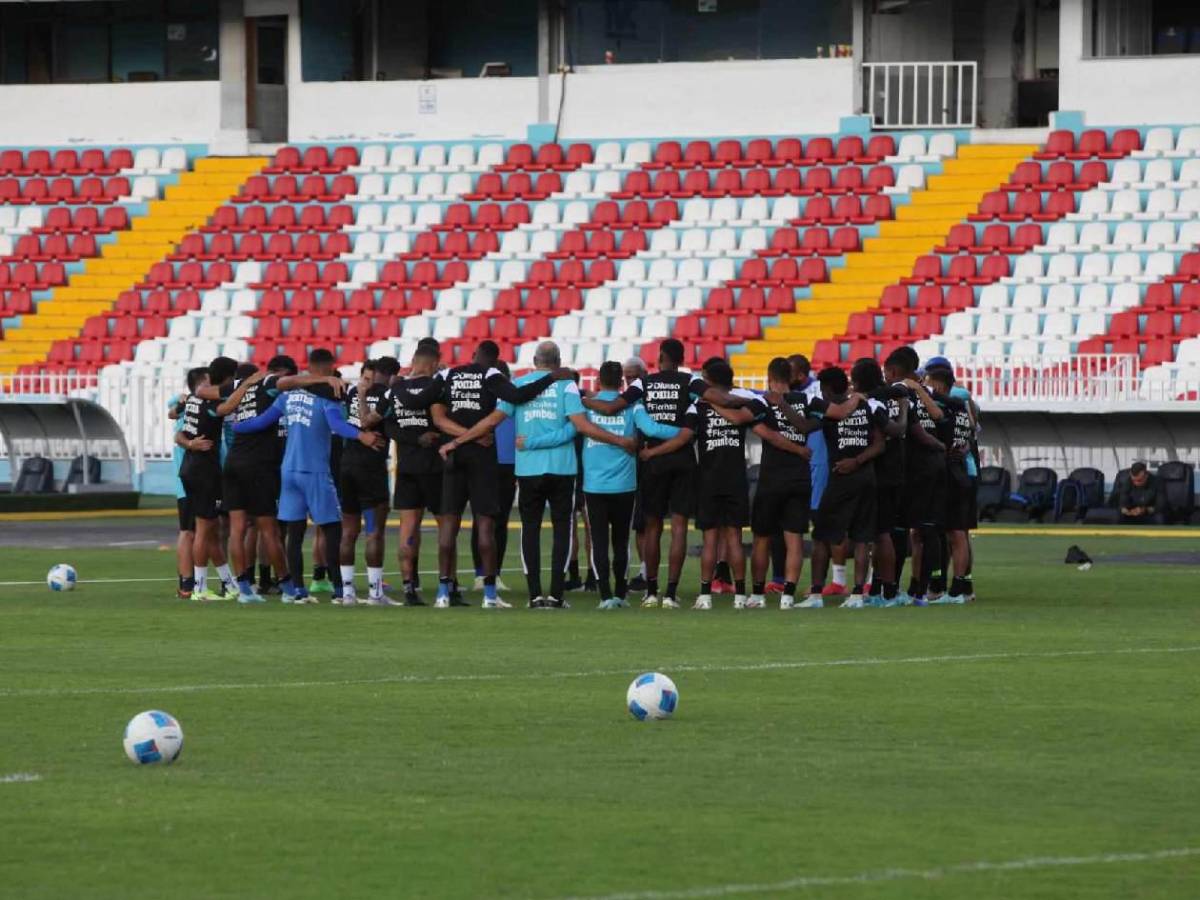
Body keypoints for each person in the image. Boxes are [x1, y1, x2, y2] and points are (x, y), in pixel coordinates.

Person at [440, 341, 633, 608]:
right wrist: (619, 440)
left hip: (528, 469)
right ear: (559, 360)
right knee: (562, 530)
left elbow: (492, 420)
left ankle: (534, 596)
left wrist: (457, 441)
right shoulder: (566, 386)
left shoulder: (518, 385)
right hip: (562, 468)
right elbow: (579, 426)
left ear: (534, 360)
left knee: (529, 529)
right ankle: (555, 595)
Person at [397, 339, 567, 607]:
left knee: (449, 525)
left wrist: (397, 384)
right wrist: (552, 378)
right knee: (485, 524)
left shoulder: (447, 374)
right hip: (483, 458)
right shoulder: (490, 375)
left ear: (474, 355)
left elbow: (415, 401)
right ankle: (489, 595)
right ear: (494, 360)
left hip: (452, 457)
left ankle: (443, 593)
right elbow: (520, 396)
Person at [583, 338, 747, 610]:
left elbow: (612, 407)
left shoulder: (644, 383)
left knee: (652, 527)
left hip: (652, 460)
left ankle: (650, 592)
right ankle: (671, 593)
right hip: (683, 459)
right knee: (679, 528)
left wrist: (584, 399)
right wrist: (754, 398)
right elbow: (724, 398)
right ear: (681, 359)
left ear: (660, 357)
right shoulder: (690, 382)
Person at [231, 348, 384, 606]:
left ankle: (298, 590)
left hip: (288, 470)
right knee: (332, 529)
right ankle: (339, 590)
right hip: (315, 471)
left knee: (294, 531)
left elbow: (260, 423)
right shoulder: (327, 395)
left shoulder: (288, 396)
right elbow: (336, 426)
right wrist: (362, 436)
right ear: (328, 368)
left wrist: (235, 425)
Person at [646, 358, 764, 610]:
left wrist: (652, 453)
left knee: (710, 538)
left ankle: (705, 596)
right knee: (734, 536)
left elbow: (684, 438)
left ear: (708, 380)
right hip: (736, 476)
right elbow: (749, 413)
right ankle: (740, 597)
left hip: (708, 477)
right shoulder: (746, 400)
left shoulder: (697, 406)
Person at [209, 354, 323, 603]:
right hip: (258, 466)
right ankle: (288, 589)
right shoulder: (266, 383)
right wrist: (322, 378)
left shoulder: (237, 388)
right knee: (269, 530)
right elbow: (288, 383)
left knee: (237, 529)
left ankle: (245, 590)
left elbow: (203, 391)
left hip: (233, 462)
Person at [578, 360, 681, 608]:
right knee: (621, 541)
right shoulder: (633, 406)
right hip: (624, 485)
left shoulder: (586, 407)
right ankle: (621, 595)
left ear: (599, 381)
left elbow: (569, 431)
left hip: (594, 485)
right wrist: (684, 431)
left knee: (599, 541)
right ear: (622, 381)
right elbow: (653, 429)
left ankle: (604, 596)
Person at [803, 366, 887, 609]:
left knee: (821, 537)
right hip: (867, 478)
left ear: (827, 388)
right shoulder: (868, 407)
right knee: (862, 539)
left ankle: (816, 595)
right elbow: (881, 444)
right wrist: (860, 460)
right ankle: (858, 596)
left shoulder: (826, 409)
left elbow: (805, 427)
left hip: (840, 478)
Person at [748, 358, 822, 609]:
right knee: (794, 539)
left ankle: (757, 595)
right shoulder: (808, 401)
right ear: (791, 377)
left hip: (771, 478)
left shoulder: (761, 402)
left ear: (769, 377)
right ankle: (788, 597)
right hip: (800, 478)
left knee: (762, 538)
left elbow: (763, 431)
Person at [885, 347, 950, 605]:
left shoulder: (897, 393)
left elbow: (924, 423)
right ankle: (923, 589)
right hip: (933, 466)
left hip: (911, 468)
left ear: (894, 370)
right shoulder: (930, 393)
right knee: (926, 531)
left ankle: (894, 589)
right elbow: (939, 416)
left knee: (901, 530)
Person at [176, 355, 239, 601]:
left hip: (189, 467)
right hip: (204, 470)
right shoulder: (211, 403)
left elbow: (177, 426)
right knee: (203, 530)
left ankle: (228, 582)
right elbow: (228, 406)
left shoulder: (191, 399)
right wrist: (244, 388)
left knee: (208, 528)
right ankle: (200, 588)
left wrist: (190, 443)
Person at [848, 357, 909, 607]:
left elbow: (893, 431)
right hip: (898, 471)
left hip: (880, 473)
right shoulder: (895, 396)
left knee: (881, 535)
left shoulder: (872, 403)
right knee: (885, 534)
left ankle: (889, 590)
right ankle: (881, 588)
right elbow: (902, 391)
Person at [389, 342, 445, 606]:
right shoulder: (437, 388)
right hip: (434, 467)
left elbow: (388, 427)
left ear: (413, 360)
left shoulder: (395, 390)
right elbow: (443, 420)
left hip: (406, 467)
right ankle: (448, 586)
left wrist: (411, 439)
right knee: (446, 527)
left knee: (407, 529)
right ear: (434, 363)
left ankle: (409, 586)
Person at [337, 359, 396, 606]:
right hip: (370, 469)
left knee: (349, 532)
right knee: (374, 533)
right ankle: (374, 593)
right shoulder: (389, 396)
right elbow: (367, 422)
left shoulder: (350, 392)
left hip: (346, 465)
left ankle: (348, 592)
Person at [924, 366, 976, 603]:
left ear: (938, 384)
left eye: (928, 382)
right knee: (957, 533)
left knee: (952, 533)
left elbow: (936, 416)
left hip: (948, 475)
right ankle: (959, 586)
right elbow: (968, 436)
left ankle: (952, 589)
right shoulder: (962, 408)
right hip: (960, 472)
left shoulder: (947, 406)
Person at [168, 366, 207, 599]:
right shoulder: (187, 408)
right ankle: (187, 582)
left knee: (198, 530)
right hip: (190, 479)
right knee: (189, 531)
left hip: (194, 478)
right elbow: (173, 409)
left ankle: (190, 580)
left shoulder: (194, 405)